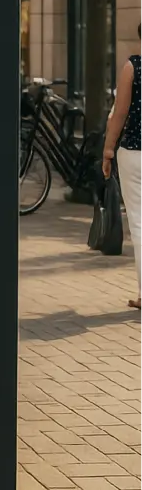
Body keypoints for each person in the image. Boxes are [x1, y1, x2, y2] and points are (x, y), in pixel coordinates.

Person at [103, 20, 142, 309]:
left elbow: (120, 113)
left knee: (140, 223)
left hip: (135, 153)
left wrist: (107, 150)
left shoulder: (133, 67)